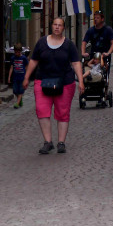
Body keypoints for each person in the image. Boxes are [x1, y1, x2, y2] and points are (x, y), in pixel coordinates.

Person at [23, 17, 84, 154]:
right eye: (55, 25)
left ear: (64, 28)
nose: (57, 27)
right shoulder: (41, 43)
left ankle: (61, 142)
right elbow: (33, 61)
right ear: (51, 26)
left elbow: (76, 63)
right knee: (41, 109)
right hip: (43, 80)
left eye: (60, 25)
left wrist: (80, 80)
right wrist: (26, 77)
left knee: (62, 112)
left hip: (65, 82)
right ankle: (48, 141)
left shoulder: (69, 45)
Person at [8, 42, 28, 108]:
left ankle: (17, 103)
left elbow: (27, 66)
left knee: (21, 90)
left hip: (22, 77)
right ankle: (20, 100)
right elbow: (11, 67)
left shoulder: (23, 58)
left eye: (18, 52)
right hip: (15, 77)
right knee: (15, 90)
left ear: (20, 52)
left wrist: (26, 75)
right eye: (15, 52)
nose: (16, 53)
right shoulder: (13, 58)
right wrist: (9, 77)